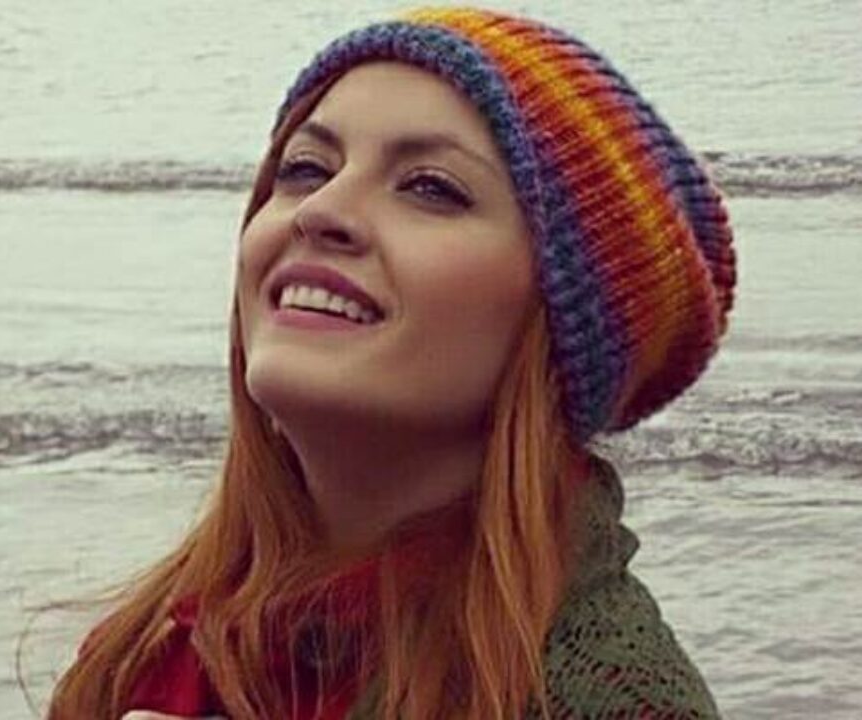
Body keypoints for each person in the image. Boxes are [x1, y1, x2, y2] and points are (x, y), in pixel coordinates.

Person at [47, 5, 736, 719]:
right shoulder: (147, 652)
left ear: (560, 319)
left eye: (430, 187)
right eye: (304, 168)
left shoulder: (617, 701)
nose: (321, 209)